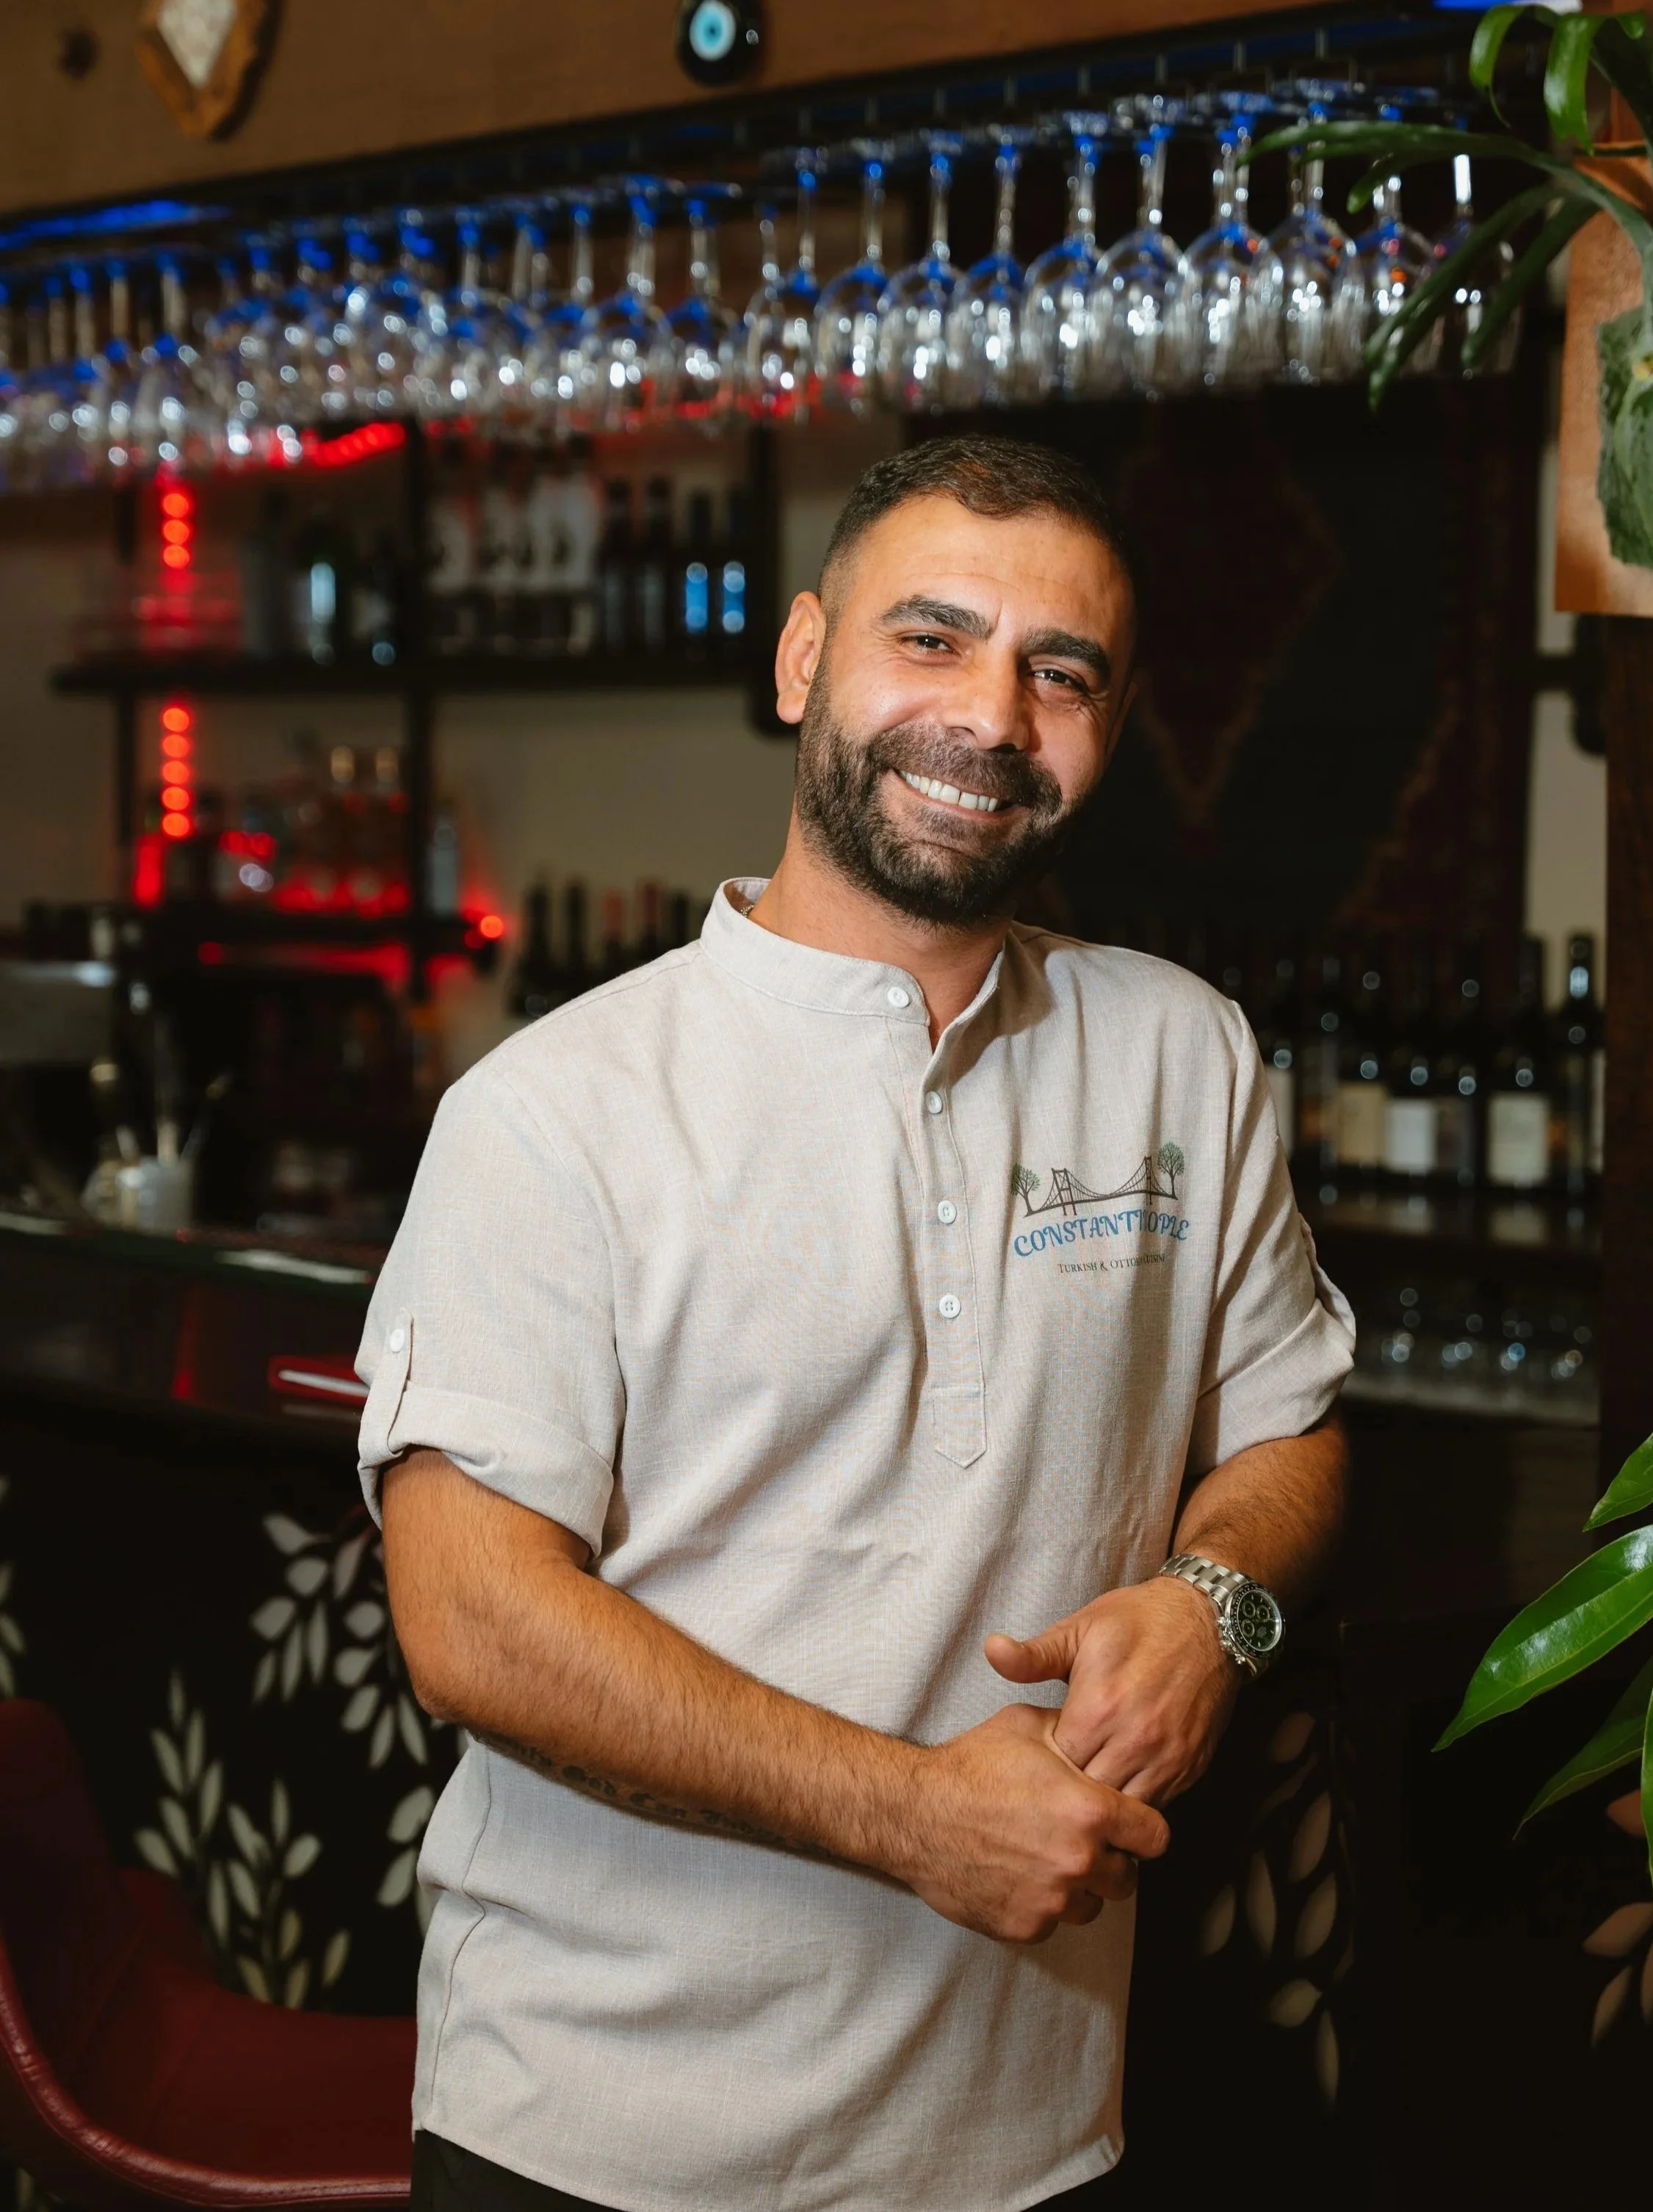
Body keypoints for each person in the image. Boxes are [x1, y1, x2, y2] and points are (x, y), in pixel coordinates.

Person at [359, 433, 1353, 2212]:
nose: (991, 714)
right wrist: (912, 1812)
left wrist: (1213, 1607)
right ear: (802, 657)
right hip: (601, 2140)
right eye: (932, 638)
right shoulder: (558, 1106)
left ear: (1107, 728)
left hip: (1030, 2138)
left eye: (1061, 671)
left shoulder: (1178, 1055)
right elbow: (467, 1615)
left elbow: (1286, 1427)